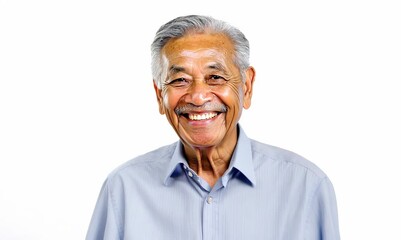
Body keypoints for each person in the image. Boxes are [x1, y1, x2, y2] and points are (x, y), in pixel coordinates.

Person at [86, 15, 340, 240]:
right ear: (159, 94)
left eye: (215, 77)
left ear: (247, 86)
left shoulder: (306, 185)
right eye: (180, 80)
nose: (198, 97)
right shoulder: (124, 188)